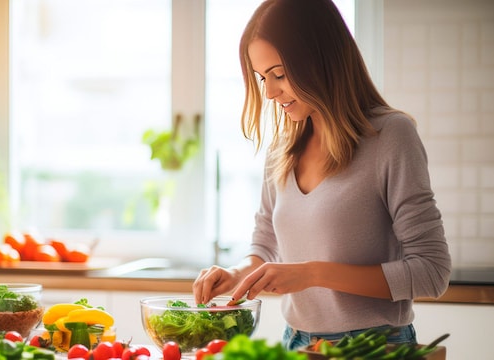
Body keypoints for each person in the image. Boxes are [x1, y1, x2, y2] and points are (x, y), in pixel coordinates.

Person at [192, 0, 452, 351]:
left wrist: (313, 273)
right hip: (296, 344)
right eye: (262, 78)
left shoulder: (391, 136)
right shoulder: (283, 149)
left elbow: (431, 272)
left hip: (374, 348)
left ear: (319, 58)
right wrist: (239, 273)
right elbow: (266, 241)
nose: (268, 93)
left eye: (279, 74)